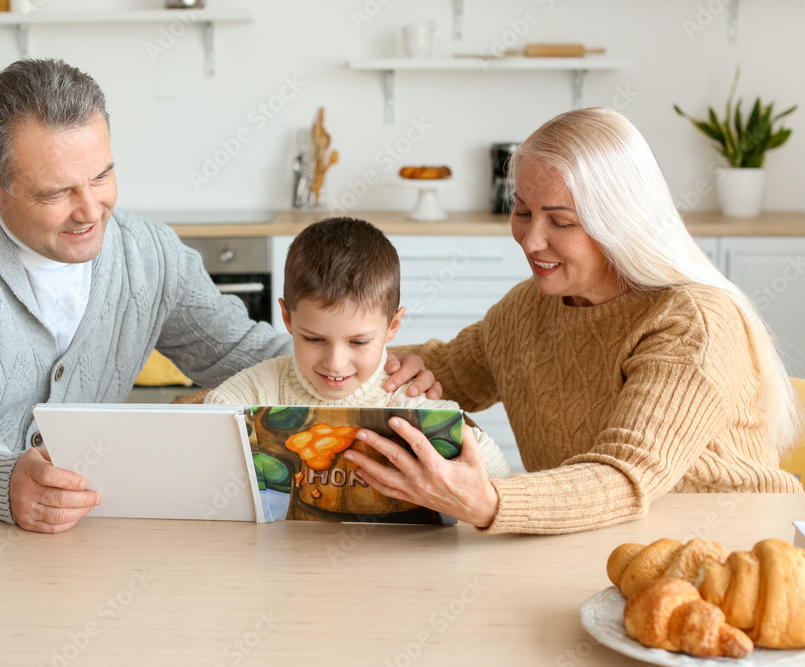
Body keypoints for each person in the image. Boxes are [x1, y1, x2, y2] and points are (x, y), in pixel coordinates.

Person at [0, 59, 438, 533]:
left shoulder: (148, 253)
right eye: (57, 192)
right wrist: (3, 482)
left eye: (103, 175)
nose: (91, 211)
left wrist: (362, 367)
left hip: (55, 529)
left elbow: (244, 351)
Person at [344, 107, 804, 534]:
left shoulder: (693, 323)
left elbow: (624, 476)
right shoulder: (528, 309)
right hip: (604, 541)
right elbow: (444, 370)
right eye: (522, 211)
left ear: (620, 222)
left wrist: (486, 501)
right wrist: (327, 352)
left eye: (560, 222)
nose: (531, 239)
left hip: (741, 543)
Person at [205, 218, 512, 479]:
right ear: (287, 318)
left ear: (392, 326)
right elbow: (203, 426)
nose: (335, 363)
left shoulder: (407, 398)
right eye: (314, 339)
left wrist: (454, 445)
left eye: (358, 342)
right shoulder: (259, 387)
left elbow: (498, 471)